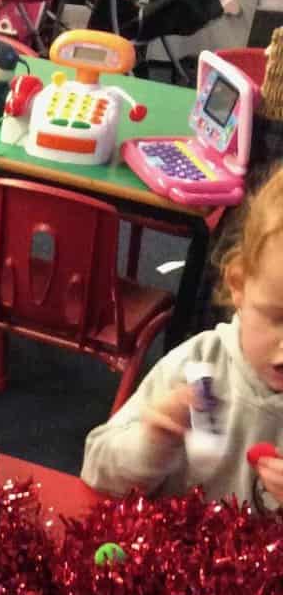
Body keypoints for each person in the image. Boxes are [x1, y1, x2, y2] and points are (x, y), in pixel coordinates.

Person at [83, 161, 283, 512]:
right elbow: (96, 470)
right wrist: (152, 442)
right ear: (238, 285)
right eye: (276, 318)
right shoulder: (198, 367)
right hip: (169, 542)